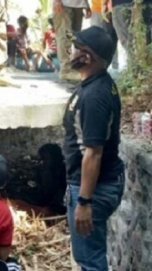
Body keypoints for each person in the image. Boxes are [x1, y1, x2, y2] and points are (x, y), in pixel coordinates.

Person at [63, 26, 124, 271]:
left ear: (87, 57)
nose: (70, 50)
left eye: (75, 46)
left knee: (90, 261)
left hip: (93, 191)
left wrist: (84, 202)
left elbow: (93, 153)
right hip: (95, 186)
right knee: (90, 256)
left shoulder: (94, 97)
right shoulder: (95, 84)